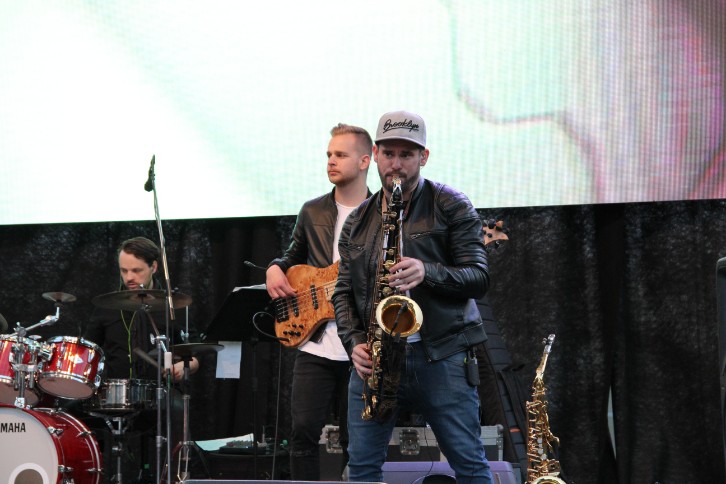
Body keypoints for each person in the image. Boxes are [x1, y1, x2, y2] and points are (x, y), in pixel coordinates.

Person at [332, 110, 494, 483]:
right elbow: (343, 292)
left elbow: (479, 277)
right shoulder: (357, 220)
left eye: (407, 154)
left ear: (424, 157)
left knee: (470, 467)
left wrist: (427, 272)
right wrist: (354, 342)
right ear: (375, 154)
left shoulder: (451, 205)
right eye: (389, 153)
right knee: (361, 471)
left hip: (442, 357)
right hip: (376, 360)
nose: (396, 164)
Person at [266, 123, 372, 480]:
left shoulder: (383, 213)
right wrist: (274, 268)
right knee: (302, 435)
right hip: (316, 343)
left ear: (364, 161)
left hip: (361, 345)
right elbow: (291, 256)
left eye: (340, 154)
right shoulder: (312, 211)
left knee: (357, 439)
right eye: (329, 154)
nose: (331, 161)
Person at [83, 236, 199, 481]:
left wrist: (182, 365)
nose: (129, 277)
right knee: (71, 412)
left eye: (136, 270)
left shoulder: (172, 305)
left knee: (178, 409)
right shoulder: (107, 306)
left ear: (154, 267)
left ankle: (173, 476)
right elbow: (88, 351)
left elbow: (196, 355)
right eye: (124, 270)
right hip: (114, 393)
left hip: (159, 391)